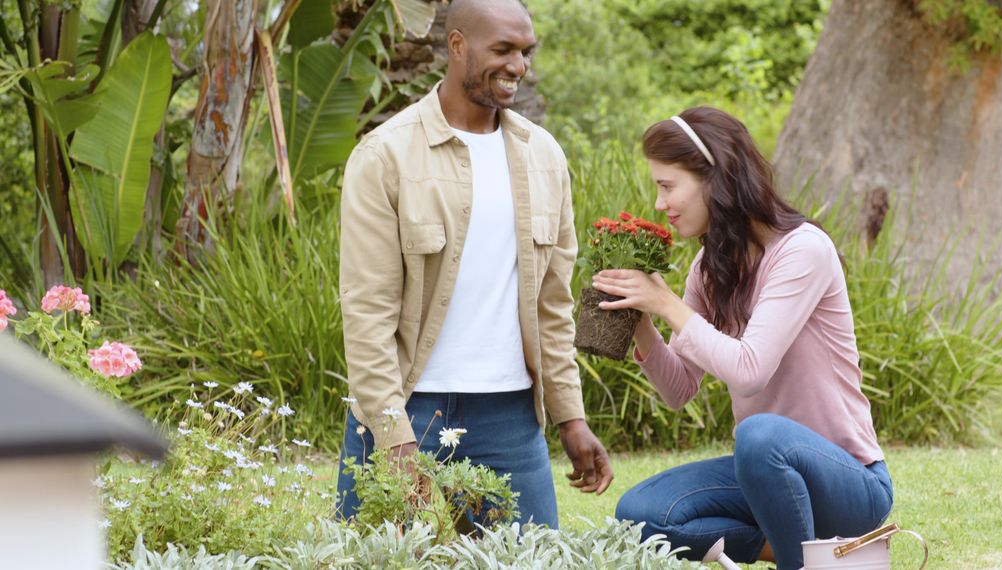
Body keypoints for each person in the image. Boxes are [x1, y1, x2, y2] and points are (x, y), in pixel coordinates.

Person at [335, 0, 613, 529]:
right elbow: (367, 315)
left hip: (508, 419)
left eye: (525, 53)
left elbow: (552, 306)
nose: (518, 66)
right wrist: (393, 437)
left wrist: (570, 418)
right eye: (503, 50)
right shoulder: (386, 156)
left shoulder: (544, 158)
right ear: (457, 45)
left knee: (535, 564)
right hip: (408, 408)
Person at [593, 107, 891, 569]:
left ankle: (807, 562)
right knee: (640, 515)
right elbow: (679, 390)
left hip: (850, 484)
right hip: (764, 479)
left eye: (667, 186)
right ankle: (814, 553)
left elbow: (749, 371)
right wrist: (643, 319)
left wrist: (669, 304)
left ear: (714, 179)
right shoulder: (709, 269)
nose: (659, 203)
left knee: (758, 436)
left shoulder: (802, 250)